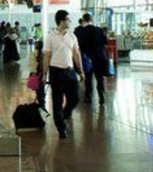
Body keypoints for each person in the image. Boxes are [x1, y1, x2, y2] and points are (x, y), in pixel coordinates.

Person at [43, 10, 84, 139]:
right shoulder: (50, 36)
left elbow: (76, 54)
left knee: (75, 97)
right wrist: (45, 74)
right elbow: (47, 56)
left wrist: (80, 70)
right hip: (56, 72)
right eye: (68, 19)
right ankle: (61, 129)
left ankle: (64, 116)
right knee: (57, 101)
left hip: (70, 71)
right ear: (61, 21)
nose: (70, 21)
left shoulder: (72, 36)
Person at [74, 13, 108, 105]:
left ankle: (88, 96)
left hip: (86, 58)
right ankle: (101, 97)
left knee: (88, 78)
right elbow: (106, 41)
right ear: (91, 20)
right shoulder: (99, 30)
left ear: (83, 19)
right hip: (98, 57)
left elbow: (75, 45)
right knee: (99, 78)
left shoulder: (78, 31)